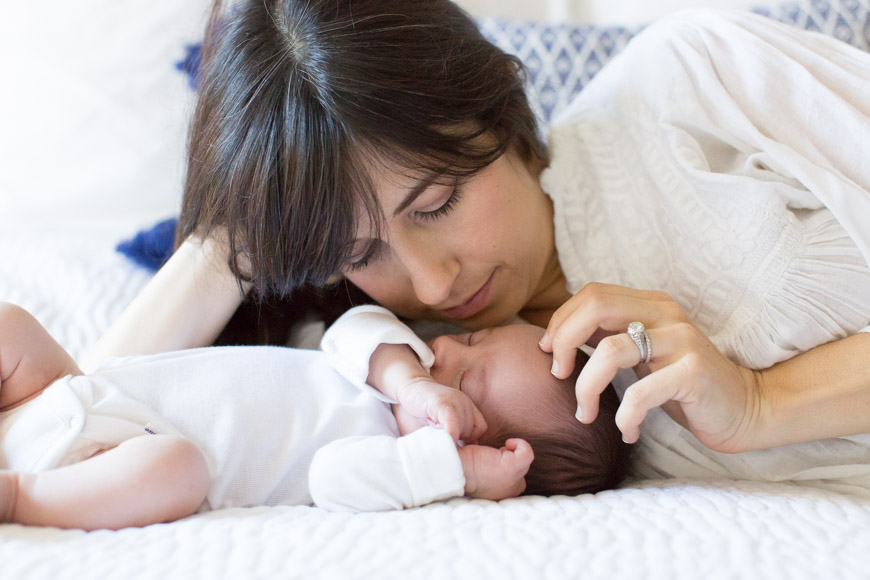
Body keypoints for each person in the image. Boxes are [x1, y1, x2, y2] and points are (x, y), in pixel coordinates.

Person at [84, 1, 870, 473]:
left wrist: (766, 403)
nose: (432, 284)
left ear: (497, 98)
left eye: (436, 202)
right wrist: (233, 233)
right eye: (359, 253)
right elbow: (79, 429)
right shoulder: (420, 377)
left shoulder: (688, 81)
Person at [0, 302, 629, 530]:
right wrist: (410, 380)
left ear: (487, 448)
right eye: (476, 337)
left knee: (178, 467)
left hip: (103, 463)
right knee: (11, 325)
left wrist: (452, 471)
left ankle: (20, 499)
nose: (445, 347)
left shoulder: (391, 461)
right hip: (70, 395)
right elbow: (350, 330)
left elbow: (331, 479)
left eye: (465, 376)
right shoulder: (390, 372)